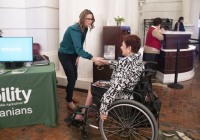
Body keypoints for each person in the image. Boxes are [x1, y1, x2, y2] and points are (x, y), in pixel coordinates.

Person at [75, 34, 144, 120]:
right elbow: (121, 65)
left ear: (129, 48)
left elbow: (116, 88)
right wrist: (106, 62)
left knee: (92, 86)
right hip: (129, 90)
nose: (121, 47)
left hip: (121, 94)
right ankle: (92, 109)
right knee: (97, 84)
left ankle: (84, 113)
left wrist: (103, 108)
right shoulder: (137, 58)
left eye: (122, 45)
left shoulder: (125, 62)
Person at [58, 9, 104, 111]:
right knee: (72, 77)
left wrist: (77, 56)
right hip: (64, 55)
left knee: (74, 77)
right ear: (82, 18)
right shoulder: (74, 29)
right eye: (88, 19)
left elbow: (79, 45)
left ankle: (68, 96)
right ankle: (69, 101)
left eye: (91, 19)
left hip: (73, 55)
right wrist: (93, 58)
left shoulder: (85, 28)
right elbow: (79, 49)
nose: (90, 21)